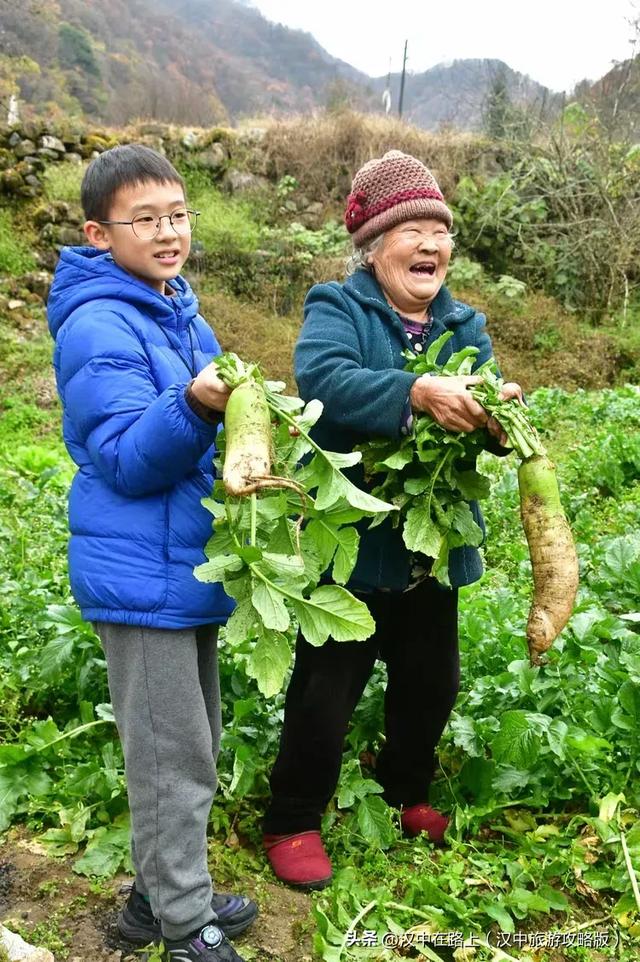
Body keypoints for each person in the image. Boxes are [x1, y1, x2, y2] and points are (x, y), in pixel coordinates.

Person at [262, 150, 522, 889]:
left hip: (431, 546)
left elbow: (480, 398)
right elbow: (327, 382)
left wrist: (499, 419)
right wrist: (417, 392)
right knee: (325, 689)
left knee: (431, 682)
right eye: (412, 229)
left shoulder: (463, 321)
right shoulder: (337, 307)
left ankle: (405, 787)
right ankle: (292, 817)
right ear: (374, 246)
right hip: (353, 541)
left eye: (440, 231)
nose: (431, 245)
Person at [47, 144, 257, 962]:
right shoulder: (99, 322)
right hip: (140, 573)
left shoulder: (177, 311)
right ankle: (182, 923)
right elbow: (130, 458)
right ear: (100, 235)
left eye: (177, 215)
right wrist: (197, 402)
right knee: (172, 758)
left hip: (180, 566)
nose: (169, 232)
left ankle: (152, 898)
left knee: (188, 739)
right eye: (147, 220)